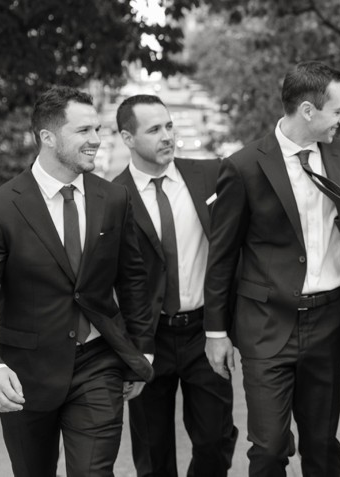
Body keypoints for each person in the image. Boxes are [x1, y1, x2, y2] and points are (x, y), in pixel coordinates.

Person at [203, 60, 340, 477]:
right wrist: (216, 332)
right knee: (267, 449)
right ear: (308, 110)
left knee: (321, 445)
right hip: (266, 322)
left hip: (329, 321)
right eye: (338, 110)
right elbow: (222, 255)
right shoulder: (243, 166)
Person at [0, 85, 155, 476]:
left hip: (98, 364)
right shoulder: (1, 206)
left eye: (97, 130)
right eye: (83, 131)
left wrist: (142, 350)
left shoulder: (114, 198)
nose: (96, 141)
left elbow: (134, 279)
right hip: (25, 374)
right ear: (48, 137)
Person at [113, 94, 237, 477]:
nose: (167, 136)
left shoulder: (211, 175)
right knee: (152, 452)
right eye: (154, 130)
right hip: (148, 341)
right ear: (127, 138)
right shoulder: (112, 198)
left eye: (169, 126)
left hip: (205, 334)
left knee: (216, 441)